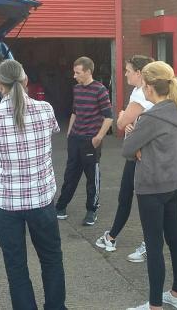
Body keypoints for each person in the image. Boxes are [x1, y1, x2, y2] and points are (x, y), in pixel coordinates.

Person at [0, 60, 66, 310]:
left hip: (7, 203)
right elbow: (51, 134)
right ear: (26, 81)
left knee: (16, 266)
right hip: (41, 199)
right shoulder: (46, 109)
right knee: (51, 259)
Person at [123, 61, 177, 310]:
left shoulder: (150, 117)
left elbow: (128, 150)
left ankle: (154, 306)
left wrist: (133, 136)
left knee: (154, 244)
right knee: (176, 239)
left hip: (151, 186)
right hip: (174, 184)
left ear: (149, 87)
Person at [94, 55, 154, 263]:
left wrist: (123, 116)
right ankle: (111, 237)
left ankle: (150, 245)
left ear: (139, 73)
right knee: (125, 195)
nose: (125, 73)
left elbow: (120, 123)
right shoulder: (139, 91)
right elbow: (130, 120)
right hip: (135, 152)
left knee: (146, 202)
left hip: (143, 155)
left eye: (128, 70)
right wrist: (129, 119)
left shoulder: (142, 94)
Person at [55, 56, 113, 226]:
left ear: (88, 72)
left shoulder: (100, 90)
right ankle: (60, 207)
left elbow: (109, 117)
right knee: (70, 174)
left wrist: (98, 137)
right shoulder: (77, 89)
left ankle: (91, 210)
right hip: (75, 138)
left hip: (91, 140)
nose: (74, 76)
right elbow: (75, 111)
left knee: (91, 176)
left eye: (77, 73)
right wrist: (70, 132)